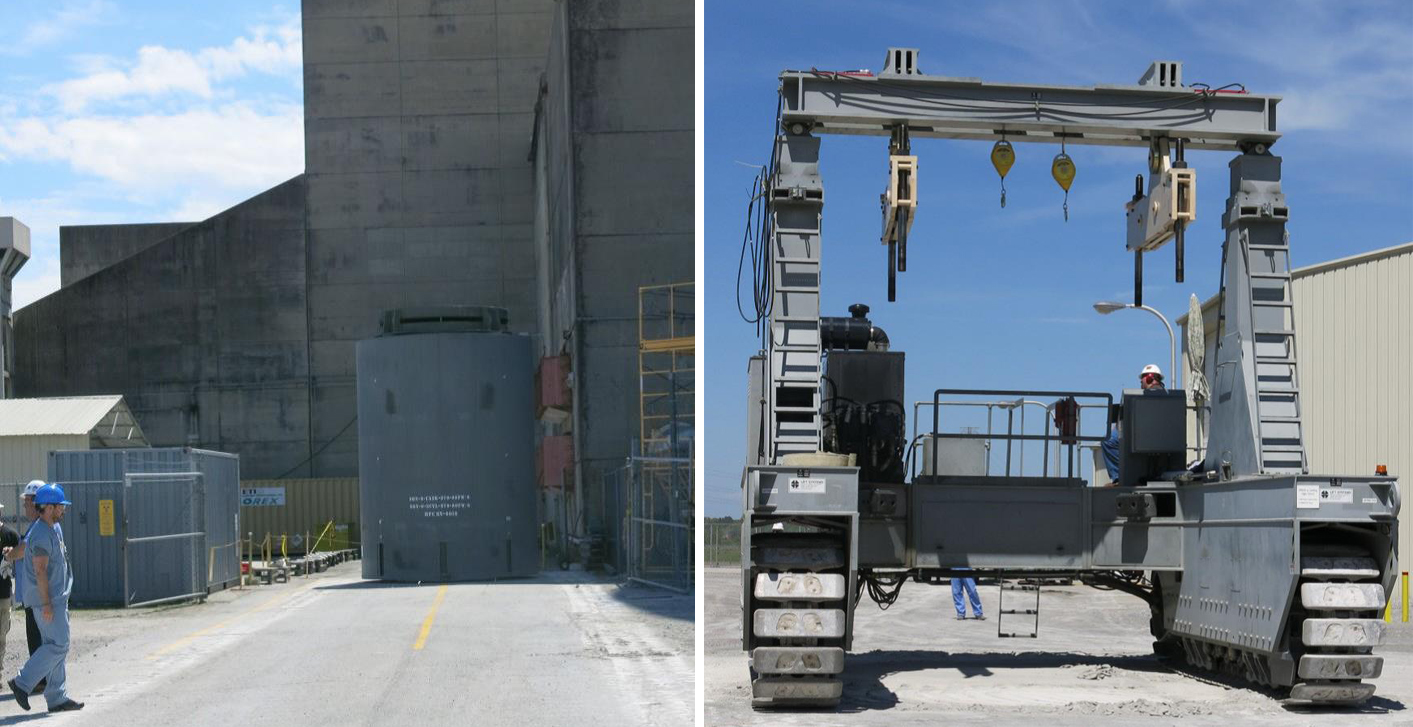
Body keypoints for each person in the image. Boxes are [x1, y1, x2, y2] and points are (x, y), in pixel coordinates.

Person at [8, 484, 83, 713]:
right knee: (59, 645)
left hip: (57, 597)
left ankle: (57, 697)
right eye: (60, 506)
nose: (63, 510)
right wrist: (48, 603)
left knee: (55, 645)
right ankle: (22, 682)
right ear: (49, 507)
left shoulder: (52, 527)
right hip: (47, 600)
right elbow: (40, 570)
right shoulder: (41, 533)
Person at [3, 481, 47, 694]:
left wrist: (10, 555)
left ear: (36, 502)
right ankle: (43, 680)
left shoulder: (40, 525)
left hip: (37, 594)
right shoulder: (38, 525)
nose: (24, 507)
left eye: (27, 502)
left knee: (38, 637)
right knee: (38, 637)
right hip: (34, 594)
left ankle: (39, 680)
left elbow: (26, 549)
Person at [1101, 364, 1167, 482]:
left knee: (1109, 441)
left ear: (1149, 378)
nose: (1141, 386)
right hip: (1161, 437)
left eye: (1142, 382)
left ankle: (1119, 477)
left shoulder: (1146, 396)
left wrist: (1119, 425)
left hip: (1141, 435)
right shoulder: (1167, 396)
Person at [0, 502, 16, 661]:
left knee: (1, 637)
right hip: (4, 594)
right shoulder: (10, 534)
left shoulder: (10, 535)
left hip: (3, 594)